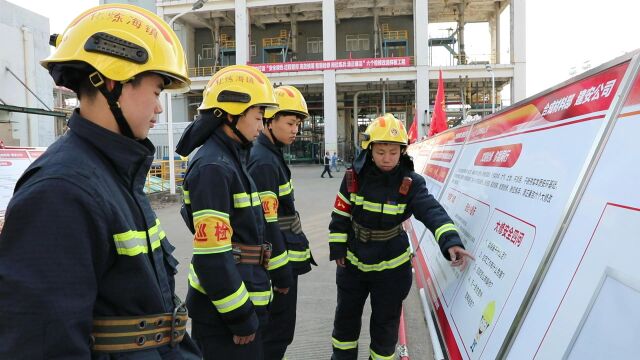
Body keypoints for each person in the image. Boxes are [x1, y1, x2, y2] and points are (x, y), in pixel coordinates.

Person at [0, 5, 201, 358]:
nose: (158, 109)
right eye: (156, 92)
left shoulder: (113, 172)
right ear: (111, 82)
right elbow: (43, 342)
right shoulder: (61, 192)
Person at [328, 114, 474, 360]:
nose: (387, 158)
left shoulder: (411, 182)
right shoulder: (353, 177)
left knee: (385, 329)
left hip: (391, 269)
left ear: (402, 152)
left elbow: (431, 211)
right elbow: (340, 214)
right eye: (381, 151)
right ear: (370, 149)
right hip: (353, 265)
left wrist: (451, 241)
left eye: (393, 152)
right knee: (345, 322)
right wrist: (338, 250)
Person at [175, 65, 277, 360]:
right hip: (225, 314)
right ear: (230, 114)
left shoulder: (231, 159)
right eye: (257, 117)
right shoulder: (213, 167)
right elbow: (212, 258)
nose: (261, 126)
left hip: (241, 298)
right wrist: (240, 317)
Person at [248, 85, 317, 359]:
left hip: (283, 259)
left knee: (278, 333)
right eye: (290, 122)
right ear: (269, 120)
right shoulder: (264, 161)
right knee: (276, 334)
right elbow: (267, 224)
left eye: (298, 124)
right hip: (277, 264)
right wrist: (280, 273)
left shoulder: (270, 155)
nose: (295, 130)